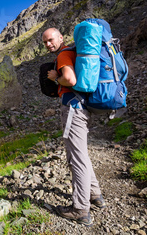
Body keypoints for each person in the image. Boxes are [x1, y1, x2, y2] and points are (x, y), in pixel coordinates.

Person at [41, 27, 106, 227]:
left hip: (72, 110)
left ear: (61, 37)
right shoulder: (72, 52)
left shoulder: (63, 55)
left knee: (75, 158)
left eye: (50, 39)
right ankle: (95, 195)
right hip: (82, 108)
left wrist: (55, 78)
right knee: (81, 154)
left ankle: (80, 210)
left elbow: (70, 79)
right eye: (45, 42)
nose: (48, 44)